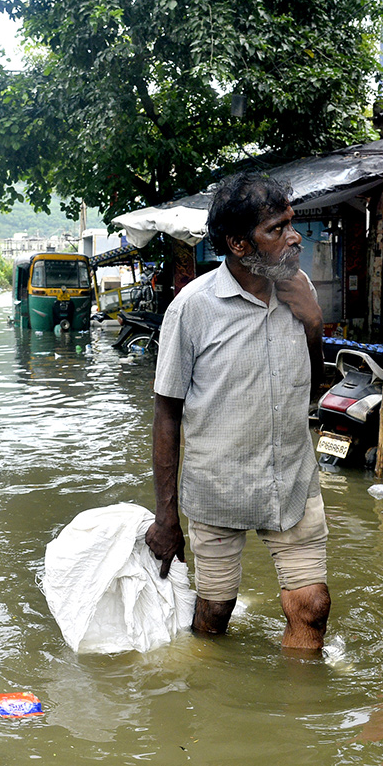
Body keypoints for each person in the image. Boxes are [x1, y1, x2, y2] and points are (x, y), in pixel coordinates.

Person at [144, 172, 329, 651]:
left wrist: (313, 321)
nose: (295, 239)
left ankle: (300, 717)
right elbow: (166, 413)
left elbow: (317, 380)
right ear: (237, 245)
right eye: (276, 230)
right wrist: (167, 517)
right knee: (213, 617)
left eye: (292, 224)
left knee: (312, 606)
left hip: (291, 481)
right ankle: (214, 707)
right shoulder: (193, 308)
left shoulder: (299, 288)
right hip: (218, 488)